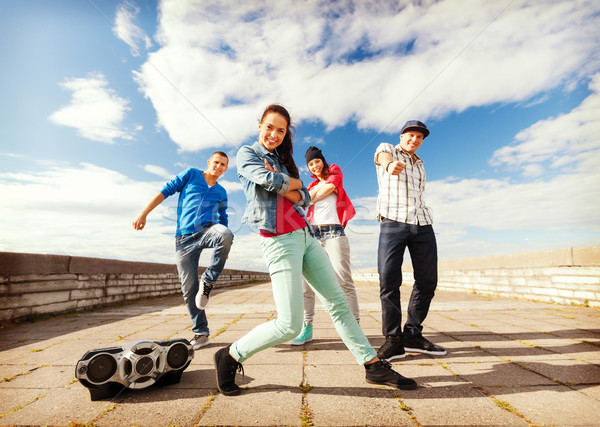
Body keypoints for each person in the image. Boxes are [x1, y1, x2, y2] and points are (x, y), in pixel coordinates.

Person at [213, 104, 417, 396]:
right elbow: (271, 182)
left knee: (337, 301)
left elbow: (303, 197)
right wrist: (291, 185)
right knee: (290, 324)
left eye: (280, 130)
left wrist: (290, 186)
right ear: (259, 125)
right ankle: (231, 354)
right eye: (269, 127)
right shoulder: (247, 154)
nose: (274, 134)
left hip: (306, 235)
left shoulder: (282, 162)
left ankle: (373, 365)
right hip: (278, 238)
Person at [132, 152, 234, 350]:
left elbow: (223, 218)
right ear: (209, 163)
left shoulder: (221, 192)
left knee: (226, 233)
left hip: (207, 231)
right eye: (216, 162)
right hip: (184, 239)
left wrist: (225, 244)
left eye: (223, 165)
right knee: (189, 289)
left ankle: (209, 280)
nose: (219, 166)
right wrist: (144, 213)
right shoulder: (191, 175)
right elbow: (165, 191)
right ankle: (201, 333)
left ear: (226, 169)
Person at [374, 120, 447, 361]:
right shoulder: (389, 150)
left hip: (423, 223)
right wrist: (390, 165)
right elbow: (382, 157)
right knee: (389, 281)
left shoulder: (421, 165)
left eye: (419, 137)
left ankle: (413, 334)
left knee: (427, 281)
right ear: (402, 135)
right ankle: (393, 340)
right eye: (410, 135)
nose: (414, 140)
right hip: (393, 222)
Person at [290, 146, 360, 345]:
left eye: (317, 161)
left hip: (334, 233)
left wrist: (310, 196)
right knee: (305, 286)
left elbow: (327, 189)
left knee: (343, 281)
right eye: (310, 164)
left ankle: (354, 328)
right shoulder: (310, 185)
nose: (314, 166)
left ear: (322, 161)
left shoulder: (335, 171)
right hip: (312, 235)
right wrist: (309, 196)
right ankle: (307, 328)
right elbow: (303, 203)